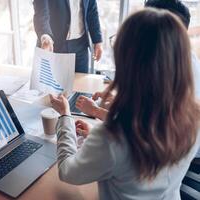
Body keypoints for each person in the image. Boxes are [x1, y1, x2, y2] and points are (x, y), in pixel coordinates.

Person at [50, 8, 200, 199]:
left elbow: (67, 172)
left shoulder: (113, 137)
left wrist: (64, 117)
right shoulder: (193, 116)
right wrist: (99, 145)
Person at [76, 0, 200, 124]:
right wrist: (117, 102)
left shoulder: (172, 70)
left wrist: (95, 111)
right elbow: (146, 110)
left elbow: (142, 127)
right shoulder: (178, 57)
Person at [33, 0, 103, 73]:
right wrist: (45, 35)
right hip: (52, 45)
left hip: (81, 47)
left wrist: (97, 40)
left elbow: (91, 10)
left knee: (81, 82)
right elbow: (41, 13)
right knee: (52, 82)